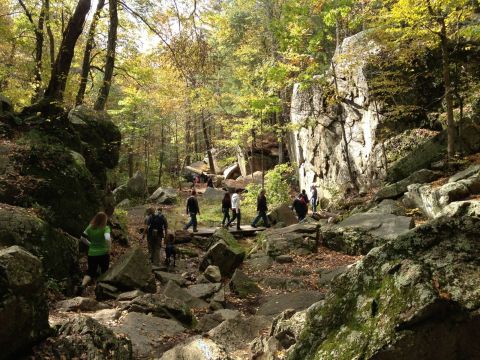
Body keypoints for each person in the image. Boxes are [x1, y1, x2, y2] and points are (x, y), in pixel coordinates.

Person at [79, 212, 111, 291]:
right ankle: (100, 289)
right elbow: (107, 238)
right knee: (104, 271)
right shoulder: (105, 228)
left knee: (90, 272)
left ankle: (82, 285)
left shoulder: (90, 227)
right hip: (103, 253)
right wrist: (109, 248)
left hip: (92, 253)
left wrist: (90, 244)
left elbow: (82, 238)